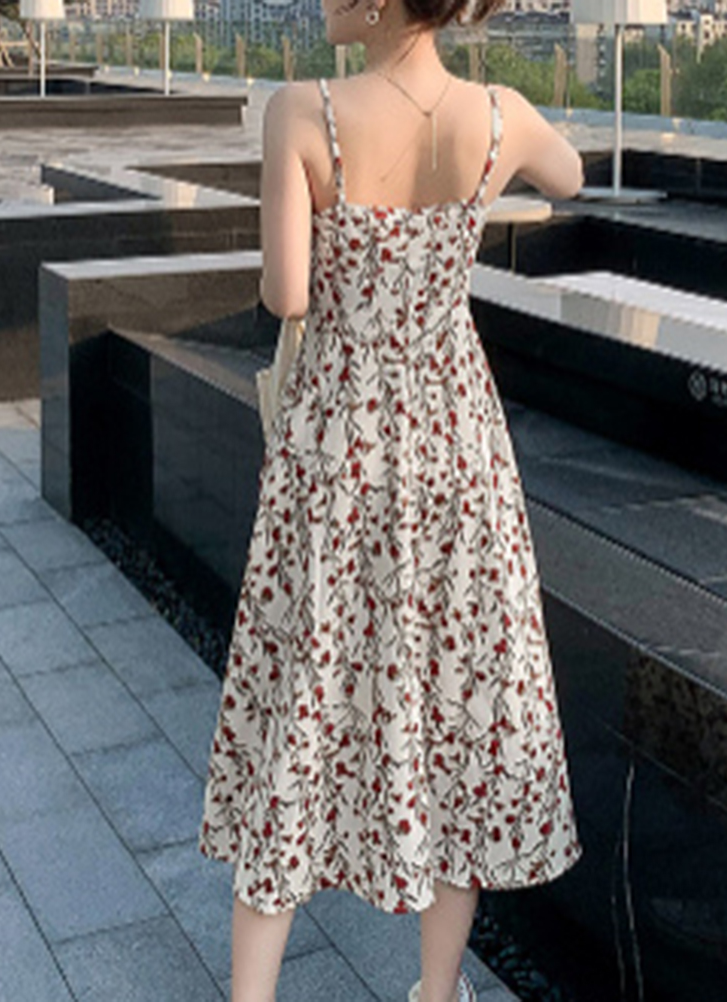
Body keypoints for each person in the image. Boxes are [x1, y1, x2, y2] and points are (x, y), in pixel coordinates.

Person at [197, 0, 585, 997]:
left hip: (341, 444)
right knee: (456, 704)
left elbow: (288, 294)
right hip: (456, 441)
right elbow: (571, 175)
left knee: (306, 699)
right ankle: (437, 990)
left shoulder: (302, 111)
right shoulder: (497, 114)